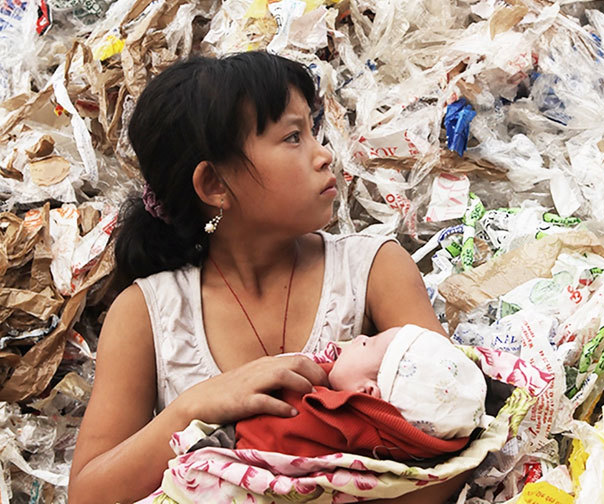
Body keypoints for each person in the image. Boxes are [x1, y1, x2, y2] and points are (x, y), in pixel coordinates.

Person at [68, 52, 467, 504]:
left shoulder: (373, 271)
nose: (324, 155)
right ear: (215, 186)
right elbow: (88, 493)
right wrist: (194, 406)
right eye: (293, 137)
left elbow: (457, 431)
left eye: (314, 131)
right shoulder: (148, 314)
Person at [234, 325, 488, 459]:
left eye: (368, 343)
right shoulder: (405, 451)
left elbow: (260, 435)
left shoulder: (328, 419)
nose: (359, 338)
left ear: (367, 391)